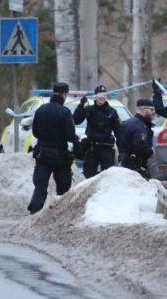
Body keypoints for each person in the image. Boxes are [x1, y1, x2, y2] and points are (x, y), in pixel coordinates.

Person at [27, 82, 78, 214]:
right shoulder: (65, 112)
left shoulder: (40, 110)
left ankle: (34, 211)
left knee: (40, 186)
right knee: (63, 188)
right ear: (64, 94)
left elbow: (35, 133)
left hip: (42, 154)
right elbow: (70, 135)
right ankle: (61, 213)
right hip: (60, 155)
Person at [73, 85, 121, 178]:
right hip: (92, 148)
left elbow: (118, 131)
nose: (102, 97)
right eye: (100, 95)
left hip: (106, 147)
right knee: (88, 176)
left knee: (108, 177)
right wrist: (80, 106)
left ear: (106, 96)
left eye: (104, 94)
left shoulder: (112, 112)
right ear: (95, 96)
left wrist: (122, 150)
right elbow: (76, 120)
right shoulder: (89, 109)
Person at [116, 98, 156, 179]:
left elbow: (119, 141)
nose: (153, 112)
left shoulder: (128, 122)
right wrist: (150, 152)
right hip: (135, 165)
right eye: (151, 109)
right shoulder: (140, 126)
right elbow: (140, 145)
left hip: (125, 162)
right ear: (143, 109)